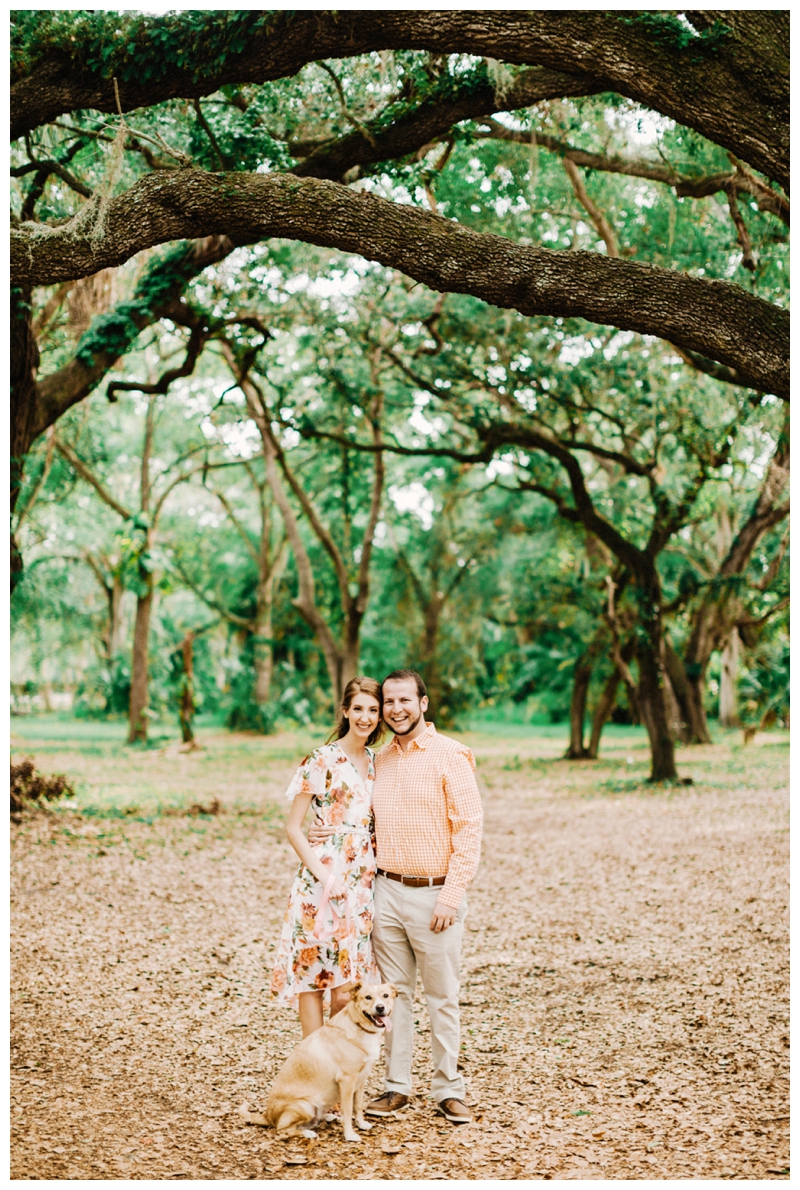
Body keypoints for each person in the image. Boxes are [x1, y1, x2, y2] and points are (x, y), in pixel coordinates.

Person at [309, 669, 483, 1124]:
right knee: (393, 995)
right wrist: (320, 830)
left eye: (405, 700)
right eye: (389, 702)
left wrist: (452, 894)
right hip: (384, 891)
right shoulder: (378, 760)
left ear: (423, 703)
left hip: (435, 895)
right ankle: (396, 1087)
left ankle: (448, 1088)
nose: (395, 709)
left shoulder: (452, 756)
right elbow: (352, 816)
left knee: (442, 996)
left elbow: (469, 830)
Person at [270, 676, 383, 1038]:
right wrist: (324, 876)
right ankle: (314, 1068)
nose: (365, 717)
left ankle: (339, 1071)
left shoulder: (377, 762)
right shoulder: (323, 758)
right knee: (313, 975)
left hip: (362, 883)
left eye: (373, 710)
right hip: (322, 881)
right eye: (359, 709)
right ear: (345, 711)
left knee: (347, 986)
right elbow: (293, 827)